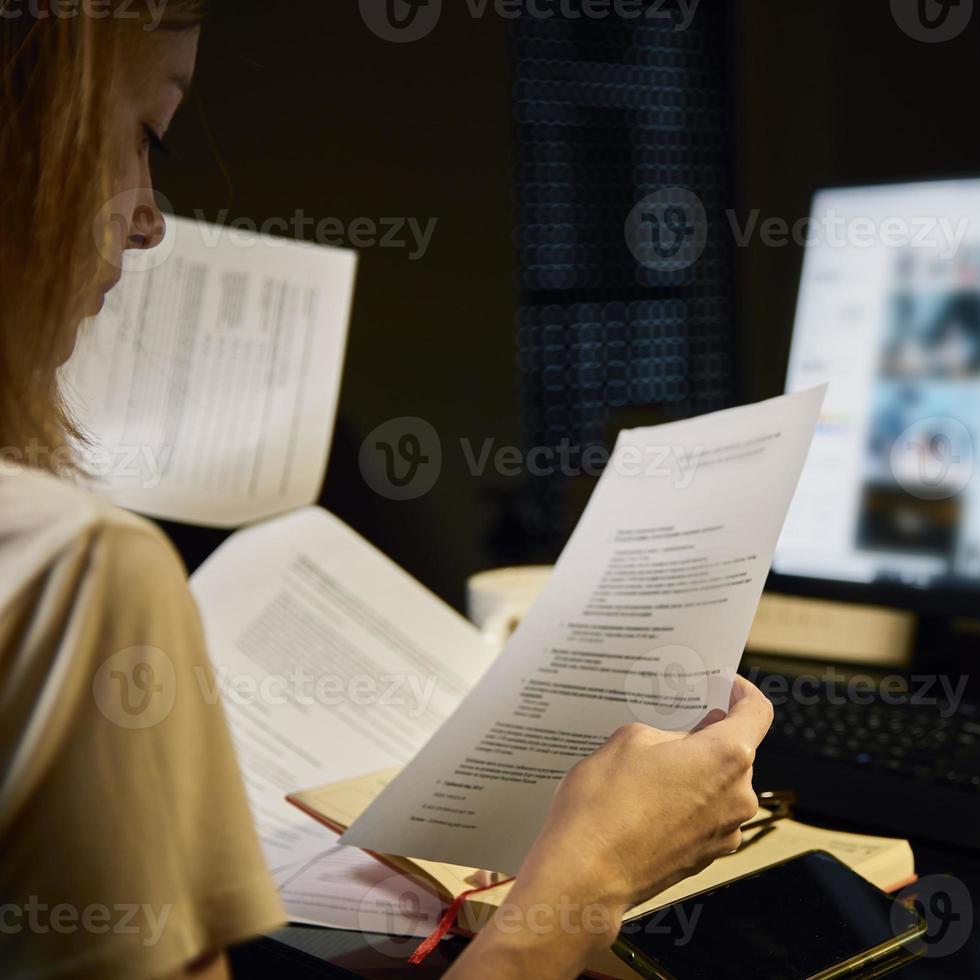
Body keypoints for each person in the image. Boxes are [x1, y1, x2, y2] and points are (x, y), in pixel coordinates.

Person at [0, 6, 769, 979]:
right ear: (30, 142)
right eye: (144, 139)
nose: (152, 220)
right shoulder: (73, 574)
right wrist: (587, 876)